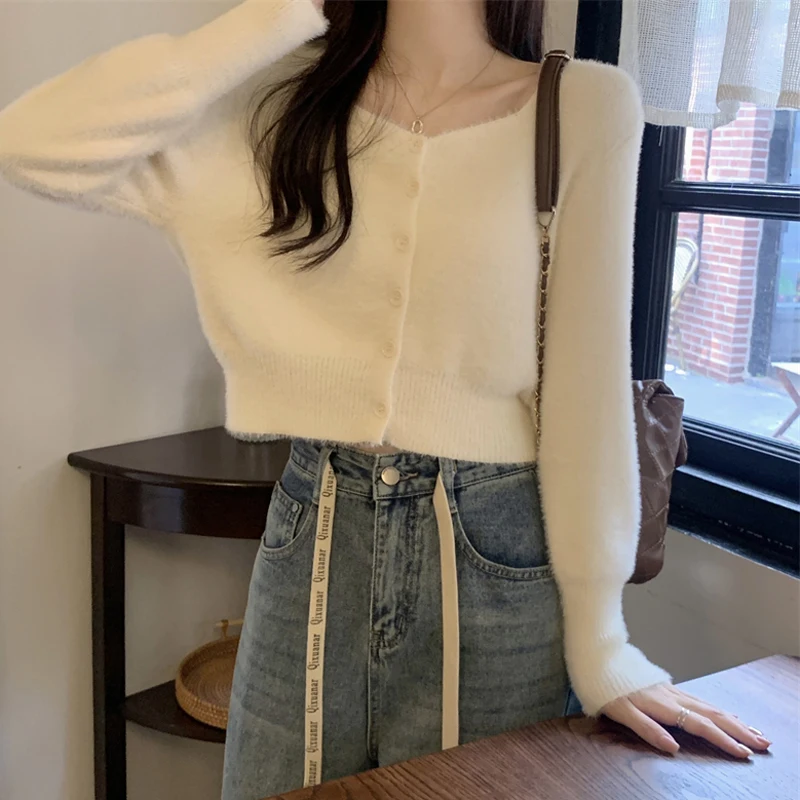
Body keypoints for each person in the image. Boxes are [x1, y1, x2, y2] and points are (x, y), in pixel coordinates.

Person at [0, 0, 772, 797]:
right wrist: (282, 13)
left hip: (498, 551)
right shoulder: (275, 102)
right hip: (316, 525)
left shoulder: (581, 106)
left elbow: (586, 391)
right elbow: (33, 144)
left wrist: (604, 646)